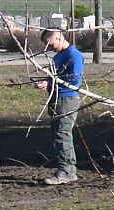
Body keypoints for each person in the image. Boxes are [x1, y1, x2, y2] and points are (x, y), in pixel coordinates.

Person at [35, 27, 83, 185]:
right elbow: (56, 78)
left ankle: (67, 170)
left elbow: (74, 81)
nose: (49, 48)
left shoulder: (74, 55)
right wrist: (47, 84)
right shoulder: (58, 56)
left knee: (63, 134)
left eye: (50, 44)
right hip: (56, 98)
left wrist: (50, 83)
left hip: (67, 100)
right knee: (57, 135)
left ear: (59, 38)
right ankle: (63, 167)